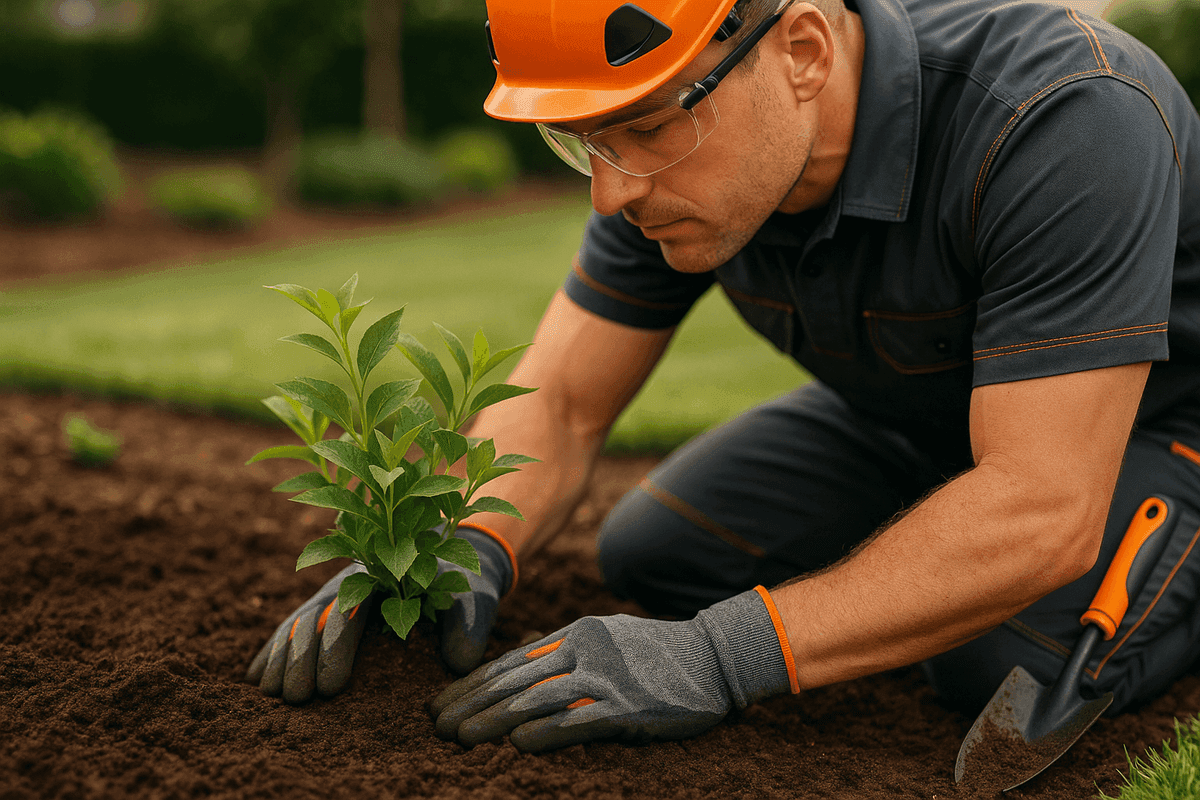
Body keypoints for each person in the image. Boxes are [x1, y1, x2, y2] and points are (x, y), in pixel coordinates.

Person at [248, 0, 1200, 755]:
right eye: (581, 139)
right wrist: (452, 551)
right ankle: (943, 537)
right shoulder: (672, 172)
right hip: (922, 420)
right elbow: (567, 403)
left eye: (645, 127)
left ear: (803, 52)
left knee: (994, 658)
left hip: (1151, 431)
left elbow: (1041, 505)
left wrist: (721, 654)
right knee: (656, 555)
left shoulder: (1064, 115)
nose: (611, 191)